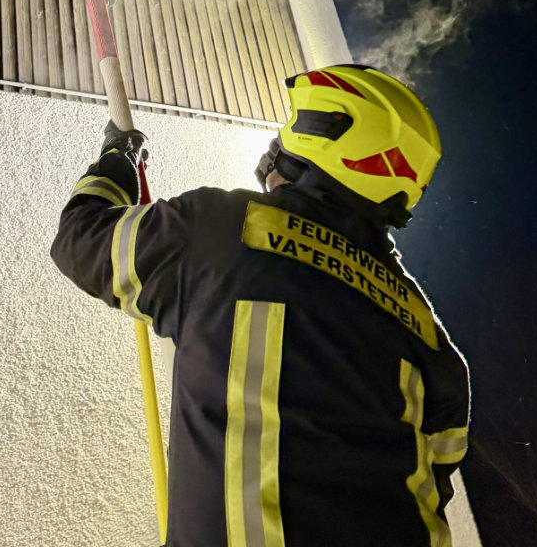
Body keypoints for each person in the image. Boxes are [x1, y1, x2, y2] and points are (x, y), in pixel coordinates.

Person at [51, 65, 470, 547]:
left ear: (317, 138)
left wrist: (118, 158)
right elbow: (432, 486)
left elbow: (79, 238)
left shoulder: (220, 227)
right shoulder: (433, 342)